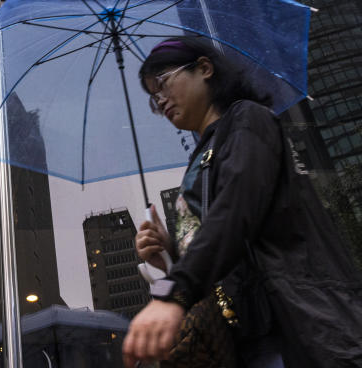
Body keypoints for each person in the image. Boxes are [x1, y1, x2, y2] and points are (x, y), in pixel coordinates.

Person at [122, 36, 362, 368]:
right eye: (153, 97)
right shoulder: (204, 154)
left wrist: (173, 294)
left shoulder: (248, 120)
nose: (160, 100)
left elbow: (237, 212)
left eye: (162, 83)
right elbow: (230, 250)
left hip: (290, 326)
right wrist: (169, 254)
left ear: (204, 68)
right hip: (242, 339)